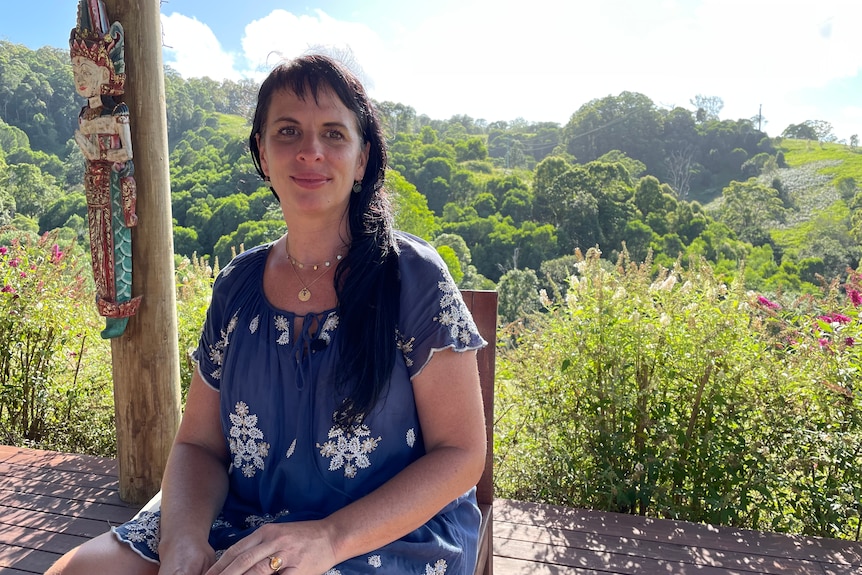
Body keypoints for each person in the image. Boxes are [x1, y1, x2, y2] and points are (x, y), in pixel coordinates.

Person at [46, 53, 487, 575]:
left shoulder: (411, 278)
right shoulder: (238, 286)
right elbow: (198, 446)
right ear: (262, 151)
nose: (311, 151)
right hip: (244, 518)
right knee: (81, 571)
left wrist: (327, 538)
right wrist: (183, 542)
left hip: (386, 532)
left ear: (363, 158)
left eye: (334, 134)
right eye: (287, 131)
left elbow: (460, 454)